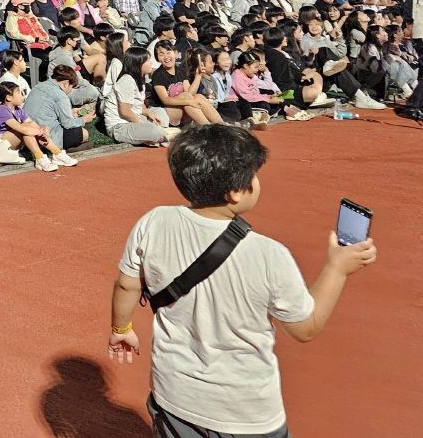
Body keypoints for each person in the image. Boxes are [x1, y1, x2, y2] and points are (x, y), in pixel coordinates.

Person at [109, 124, 377, 438]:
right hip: (245, 412)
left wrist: (121, 329)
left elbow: (127, 285)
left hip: (175, 396)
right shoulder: (268, 254)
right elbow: (306, 328)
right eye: (254, 176)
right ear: (235, 192)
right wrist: (337, 269)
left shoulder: (153, 221)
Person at [102, 46, 171, 146]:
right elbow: (125, 112)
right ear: (138, 63)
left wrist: (148, 113)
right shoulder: (127, 81)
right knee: (155, 131)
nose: (151, 63)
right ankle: (159, 136)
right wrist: (144, 123)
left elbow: (138, 103)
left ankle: (155, 137)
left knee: (159, 112)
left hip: (135, 118)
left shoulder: (139, 78)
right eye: (147, 61)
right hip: (120, 126)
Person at [21, 66, 87, 161]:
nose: (71, 90)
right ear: (66, 83)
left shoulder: (38, 86)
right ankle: (60, 150)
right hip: (46, 136)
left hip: (27, 132)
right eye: (72, 87)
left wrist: (70, 112)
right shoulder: (61, 95)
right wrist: (84, 120)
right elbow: (67, 123)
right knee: (84, 133)